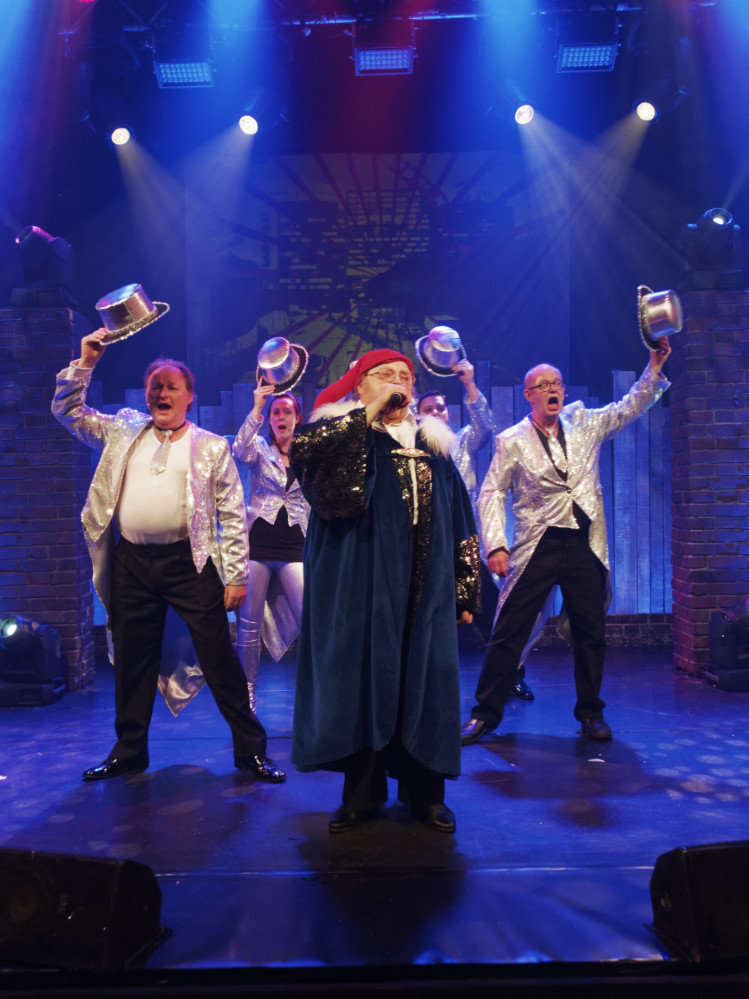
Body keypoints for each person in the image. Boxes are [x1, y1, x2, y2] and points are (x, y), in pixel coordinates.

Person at [51, 329, 286, 783]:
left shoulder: (211, 446)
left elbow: (232, 513)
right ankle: (129, 752)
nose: (161, 393)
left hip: (189, 563)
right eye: (154, 386)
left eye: (171, 386)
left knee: (219, 658)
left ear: (189, 396)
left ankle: (251, 751)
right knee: (132, 660)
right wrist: (85, 363)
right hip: (132, 564)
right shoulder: (123, 430)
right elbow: (68, 412)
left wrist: (236, 575)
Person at [289, 349, 481, 834]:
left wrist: (464, 589)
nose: (398, 383)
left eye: (404, 377)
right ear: (359, 385)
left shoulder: (434, 447)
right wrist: (369, 412)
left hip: (427, 588)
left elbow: (461, 518)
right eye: (384, 376)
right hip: (362, 585)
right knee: (364, 683)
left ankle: (426, 794)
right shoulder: (343, 437)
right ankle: (362, 796)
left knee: (426, 682)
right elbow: (308, 460)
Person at [461, 336, 672, 746]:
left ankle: (591, 713)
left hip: (583, 543)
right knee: (509, 630)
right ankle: (485, 714)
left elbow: (628, 407)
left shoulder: (585, 423)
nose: (552, 388)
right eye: (543, 385)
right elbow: (491, 492)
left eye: (556, 382)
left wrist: (654, 367)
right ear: (529, 395)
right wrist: (496, 545)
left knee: (590, 632)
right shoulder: (512, 440)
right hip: (537, 544)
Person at [416, 360, 533, 701]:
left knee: (493, 612)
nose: (436, 413)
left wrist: (468, 384)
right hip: (424, 548)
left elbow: (485, 425)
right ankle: (418, 683)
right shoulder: (408, 448)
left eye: (440, 408)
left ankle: (512, 675)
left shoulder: (461, 442)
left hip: (461, 544)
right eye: (428, 409)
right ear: (416, 415)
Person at [232, 384, 310, 711]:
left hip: (295, 545)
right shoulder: (260, 449)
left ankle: (316, 690)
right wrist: (257, 408)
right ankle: (247, 695)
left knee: (311, 619)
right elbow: (238, 450)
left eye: (287, 411)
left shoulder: (308, 452)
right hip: (260, 545)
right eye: (276, 412)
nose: (281, 416)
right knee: (248, 624)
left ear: (297, 418)